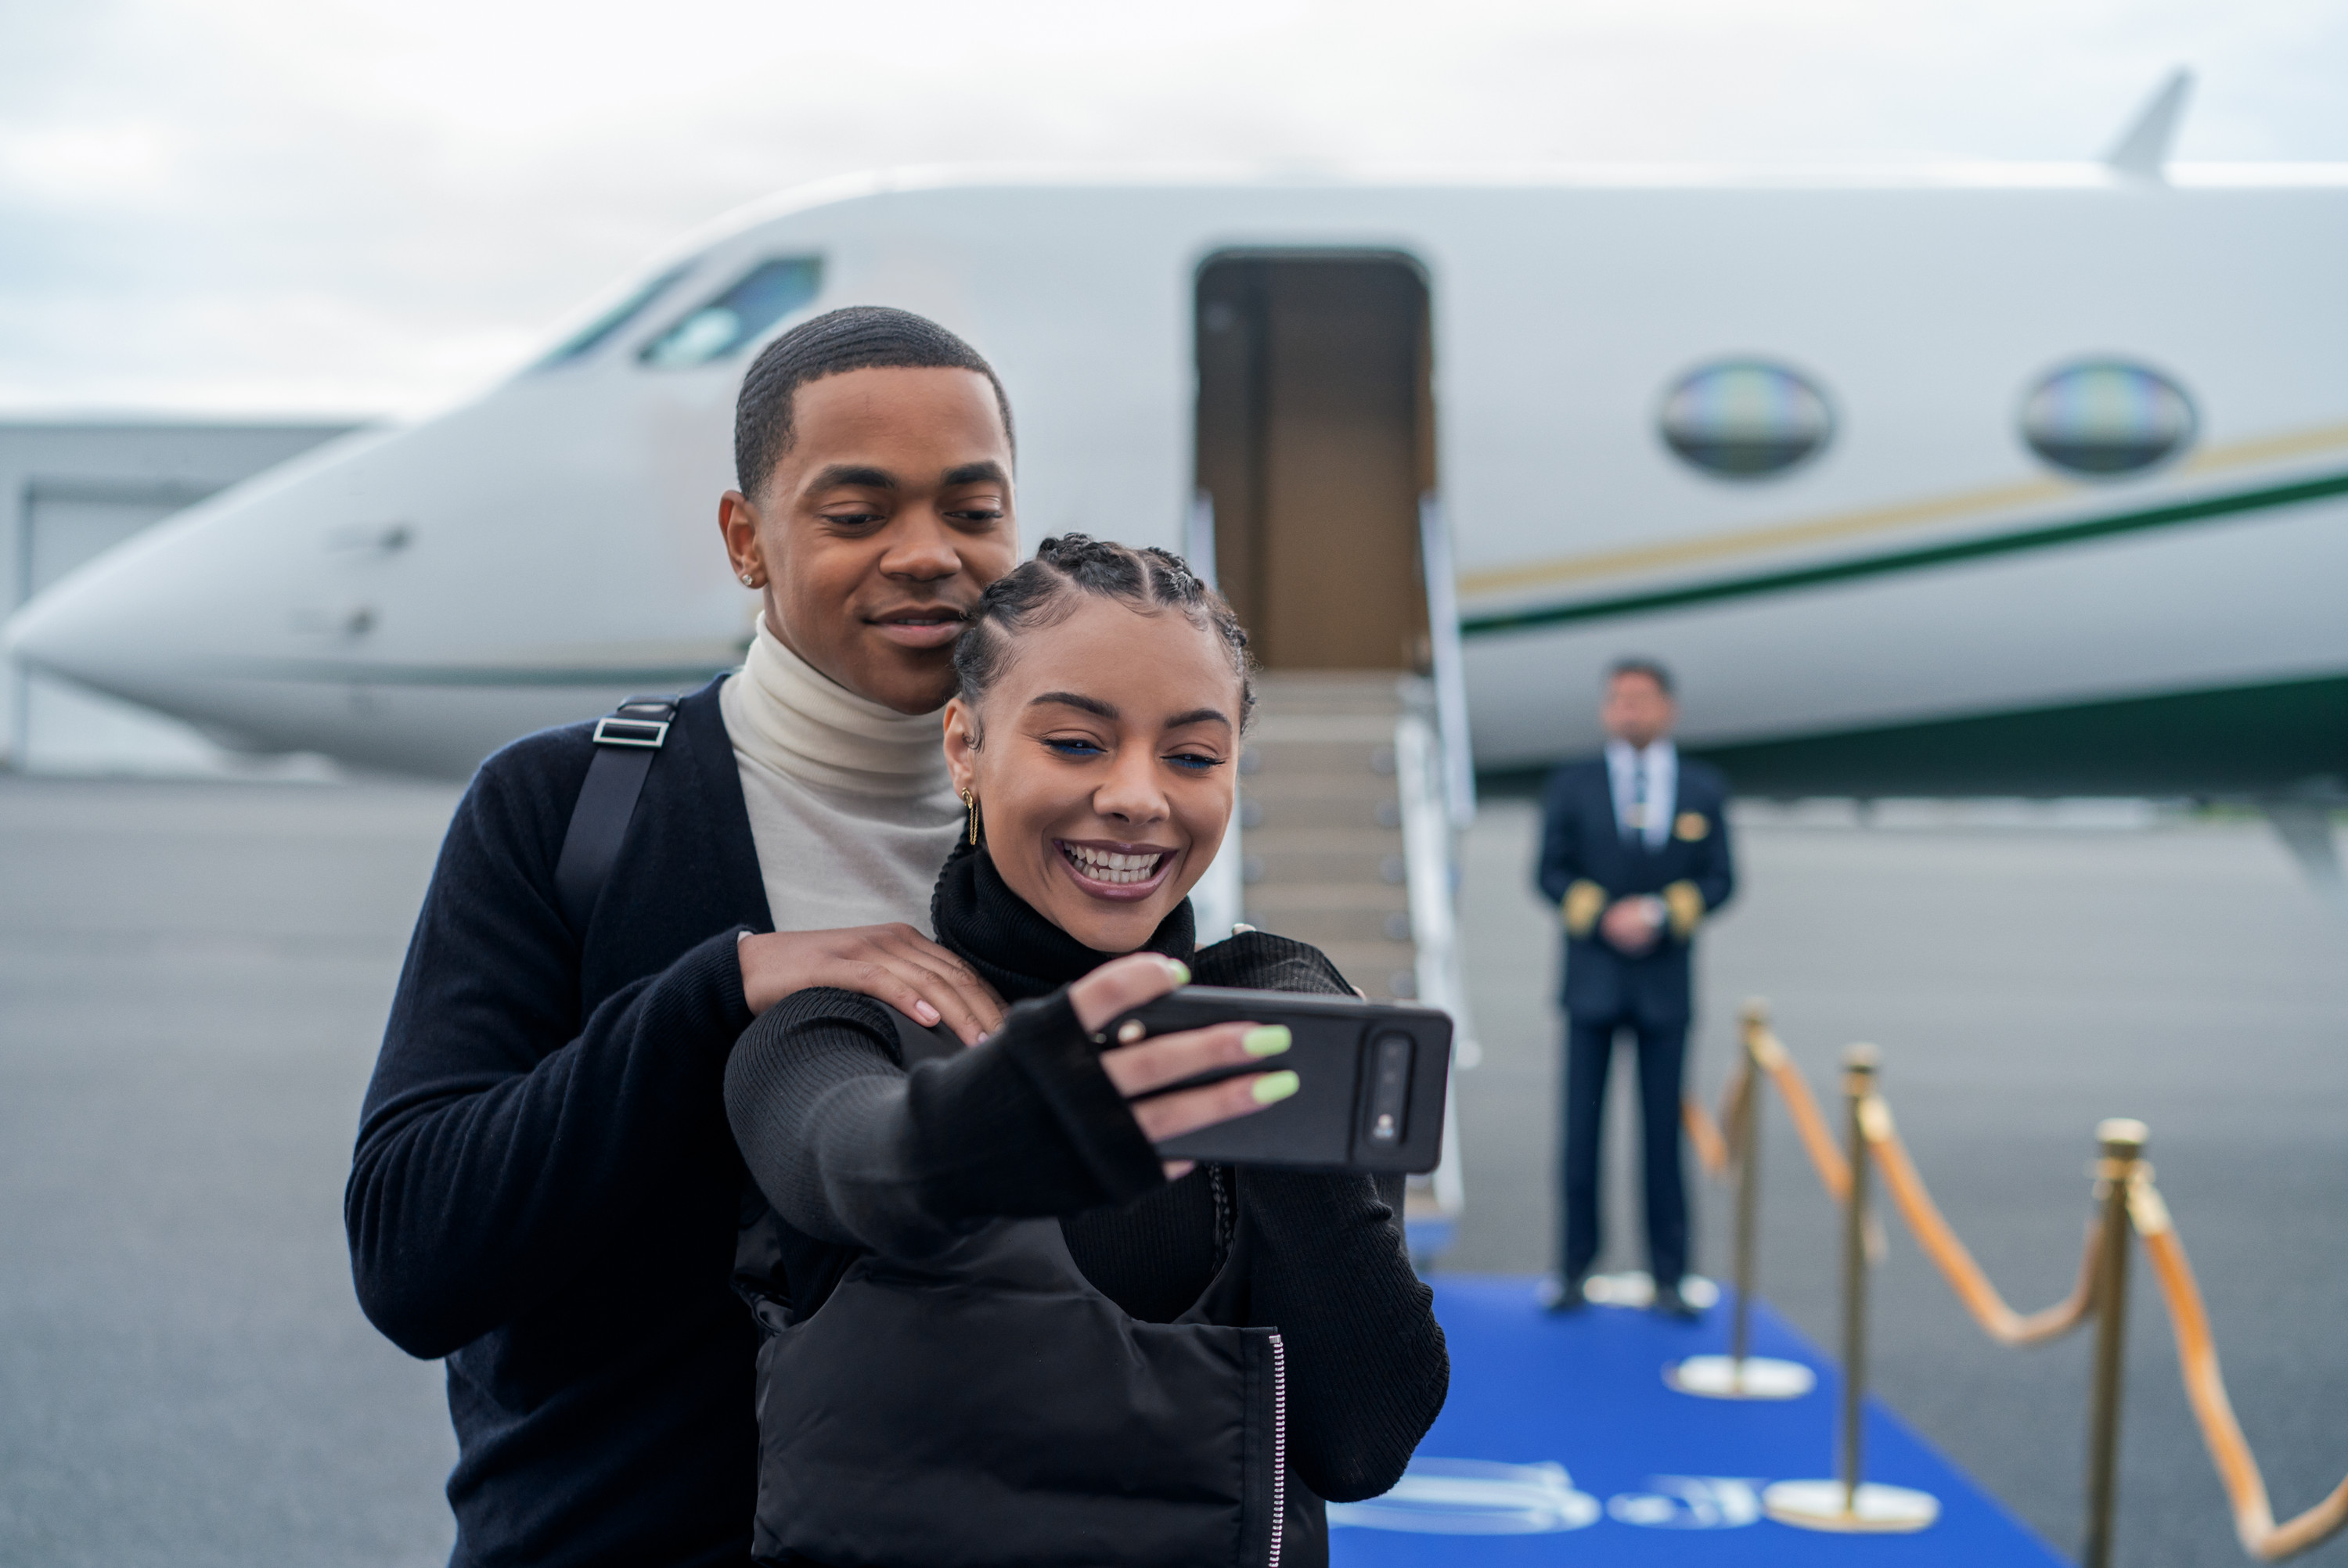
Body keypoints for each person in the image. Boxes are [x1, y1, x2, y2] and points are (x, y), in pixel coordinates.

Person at [345, 306, 1025, 1568]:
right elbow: (409, 1249)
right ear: (744, 538)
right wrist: (714, 991)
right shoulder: (562, 809)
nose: (928, 553)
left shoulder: (1066, 839)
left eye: (973, 510)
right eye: (857, 512)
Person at [725, 536, 1449, 1568]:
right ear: (965, 746)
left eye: (1193, 756)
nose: (1139, 797)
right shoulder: (836, 1023)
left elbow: (1364, 1441)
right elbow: (850, 1155)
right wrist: (994, 1116)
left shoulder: (1275, 1020)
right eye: (1075, 743)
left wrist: (1288, 1094)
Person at [1534, 657, 1734, 1318]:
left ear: (1667, 709)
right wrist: (1602, 913)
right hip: (1591, 983)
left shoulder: (1702, 787)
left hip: (1664, 989)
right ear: (1605, 710)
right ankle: (1572, 1269)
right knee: (1581, 1138)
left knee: (1661, 1140)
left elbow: (1721, 879)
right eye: (1619, 700)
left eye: (1642, 699)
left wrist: (1661, 914)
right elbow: (1549, 872)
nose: (1630, 710)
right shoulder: (1574, 784)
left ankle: (1670, 1274)